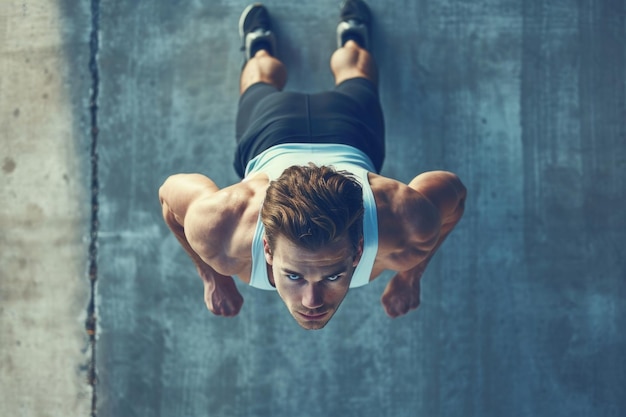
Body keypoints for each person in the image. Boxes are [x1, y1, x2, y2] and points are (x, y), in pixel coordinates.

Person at [159, 0, 466, 330]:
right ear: (268, 249)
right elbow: (168, 197)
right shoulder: (221, 224)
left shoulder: (405, 224)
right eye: (294, 275)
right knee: (296, 73)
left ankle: (351, 37)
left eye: (333, 275)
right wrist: (212, 278)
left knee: (337, 72)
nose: (312, 301)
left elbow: (455, 193)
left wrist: (411, 275)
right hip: (324, 129)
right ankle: (262, 46)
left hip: (294, 129)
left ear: (358, 250)